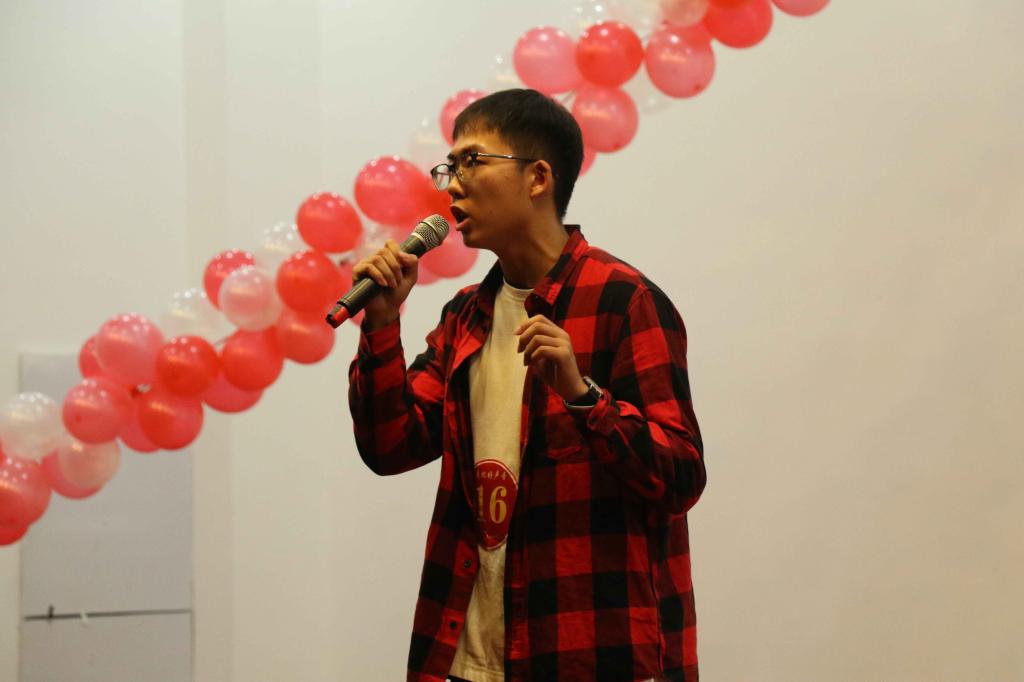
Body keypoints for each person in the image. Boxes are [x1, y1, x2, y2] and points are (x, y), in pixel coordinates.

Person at [347, 88, 705, 682]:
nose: (453, 185)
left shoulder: (623, 300)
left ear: (538, 177)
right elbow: (390, 447)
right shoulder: (466, 316)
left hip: (591, 652)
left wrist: (585, 396)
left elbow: (681, 478)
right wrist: (382, 324)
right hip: (471, 657)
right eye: (449, 167)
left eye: (472, 161)